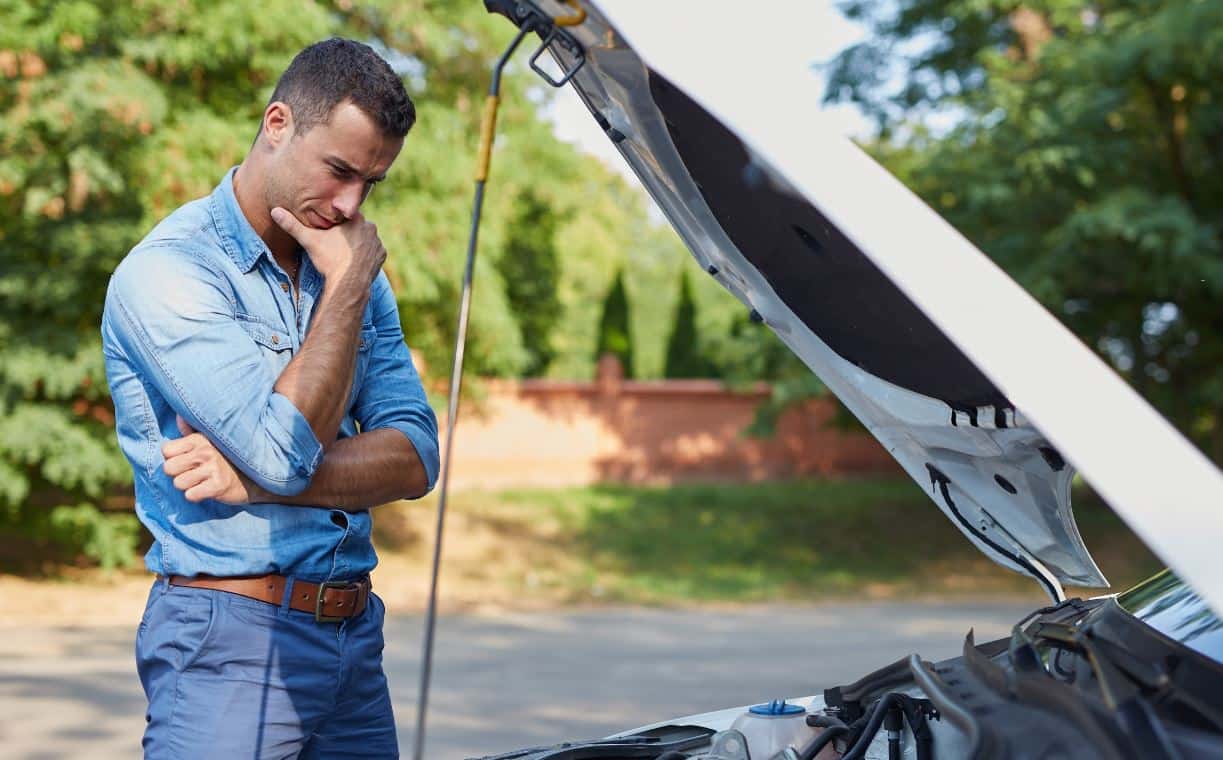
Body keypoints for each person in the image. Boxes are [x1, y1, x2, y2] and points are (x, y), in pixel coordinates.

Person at [100, 38, 439, 758]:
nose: (350, 205)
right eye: (340, 171)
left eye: (371, 185)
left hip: (353, 636)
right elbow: (284, 453)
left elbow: (415, 456)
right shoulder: (170, 273)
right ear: (277, 124)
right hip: (229, 639)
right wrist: (347, 288)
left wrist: (247, 479)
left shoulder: (348, 267)